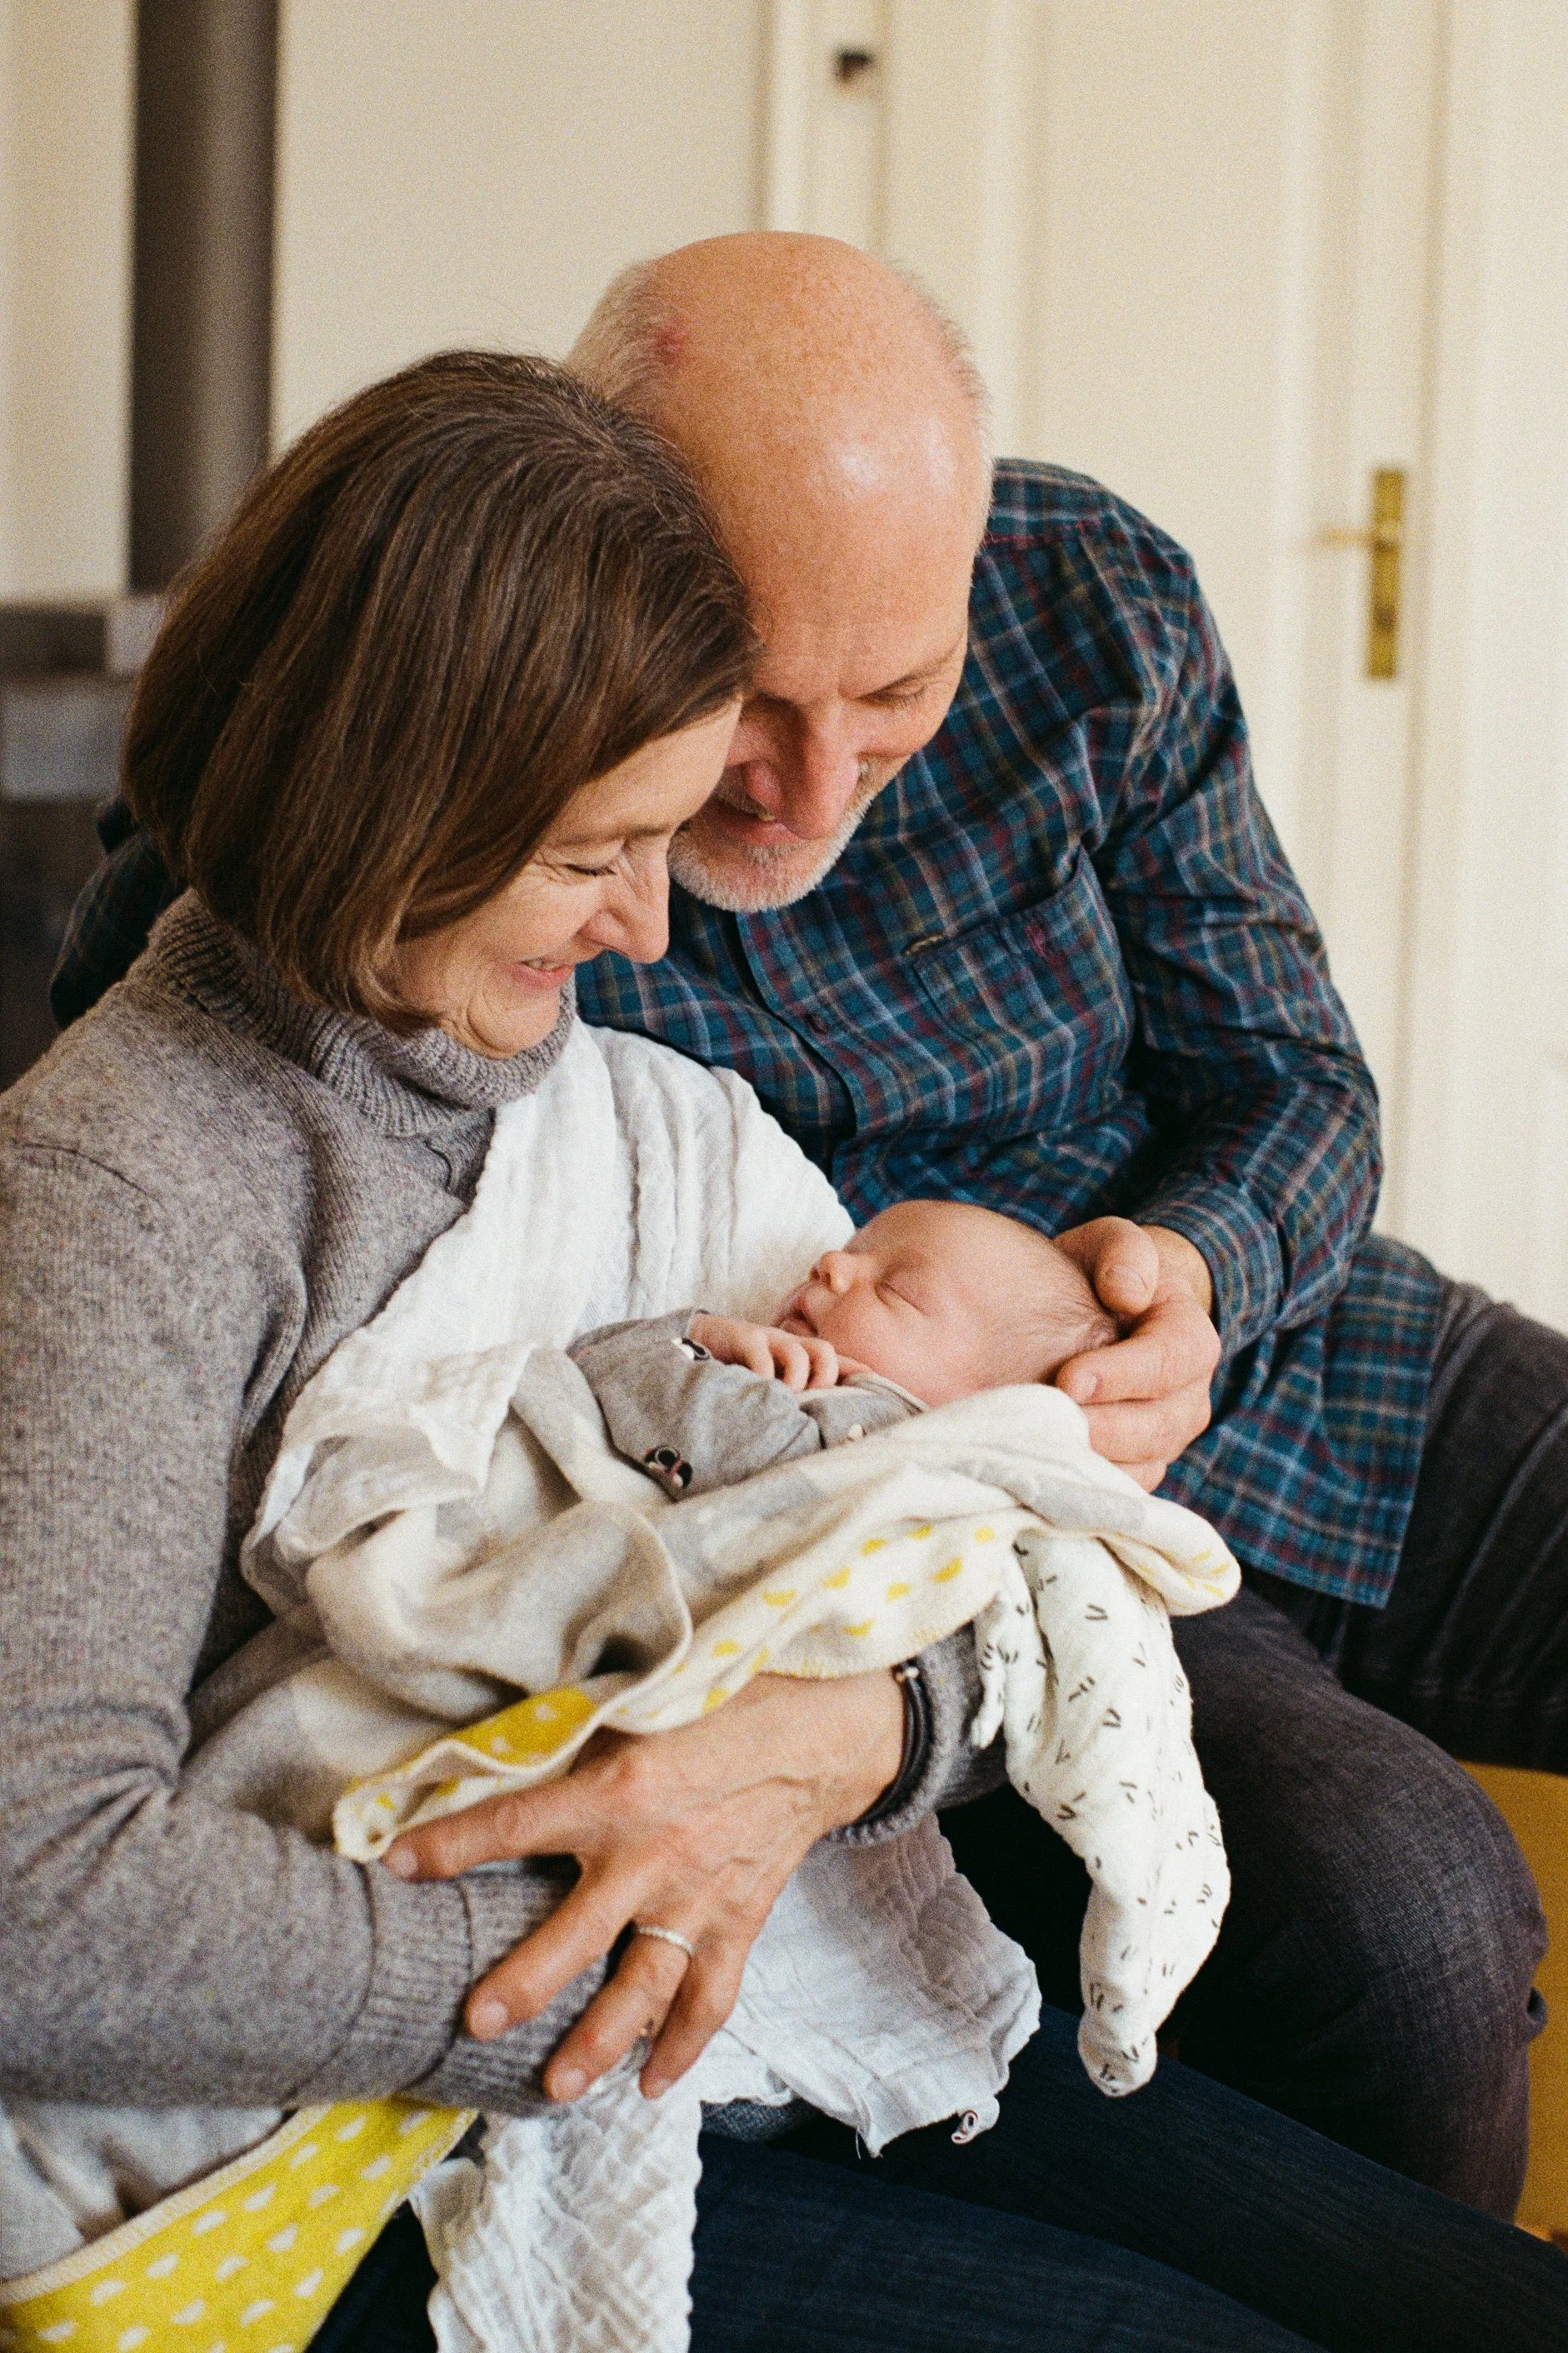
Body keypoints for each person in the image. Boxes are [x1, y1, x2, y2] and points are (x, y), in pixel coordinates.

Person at [5, 344, 1566, 2353]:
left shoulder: (607, 1107)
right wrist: (610, 1945)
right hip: (398, 2119)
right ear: (392, 799)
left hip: (788, 1976)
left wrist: (844, 1732)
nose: (658, 931)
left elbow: (934, 1516)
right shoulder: (127, 1187)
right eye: (598, 852)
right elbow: (40, 1904)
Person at [573, 1197, 1123, 1500]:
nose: (831, 1264)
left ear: (982, 1409)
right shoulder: (802, 1397)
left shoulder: (863, 1435)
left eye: (896, 1288)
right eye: (852, 1249)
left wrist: (697, 1337)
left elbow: (604, 1370)